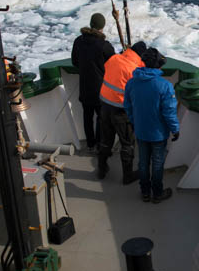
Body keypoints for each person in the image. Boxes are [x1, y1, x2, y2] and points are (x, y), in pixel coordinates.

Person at [123, 47, 180, 204]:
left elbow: (128, 106)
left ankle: (145, 193)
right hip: (158, 134)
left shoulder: (132, 82)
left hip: (141, 131)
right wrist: (175, 129)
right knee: (157, 164)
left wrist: (135, 122)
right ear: (159, 65)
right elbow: (169, 112)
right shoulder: (165, 85)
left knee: (143, 163)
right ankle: (157, 193)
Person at [97, 40, 147, 183]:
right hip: (121, 111)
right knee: (127, 143)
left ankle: (101, 169)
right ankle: (127, 175)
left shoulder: (113, 59)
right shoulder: (135, 70)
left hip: (105, 105)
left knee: (106, 140)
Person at [70, 13, 115, 150]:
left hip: (84, 86)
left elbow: (75, 61)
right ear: (102, 26)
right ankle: (100, 145)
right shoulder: (104, 45)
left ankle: (90, 144)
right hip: (101, 88)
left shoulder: (78, 41)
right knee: (101, 118)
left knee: (87, 116)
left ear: (91, 24)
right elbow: (113, 64)